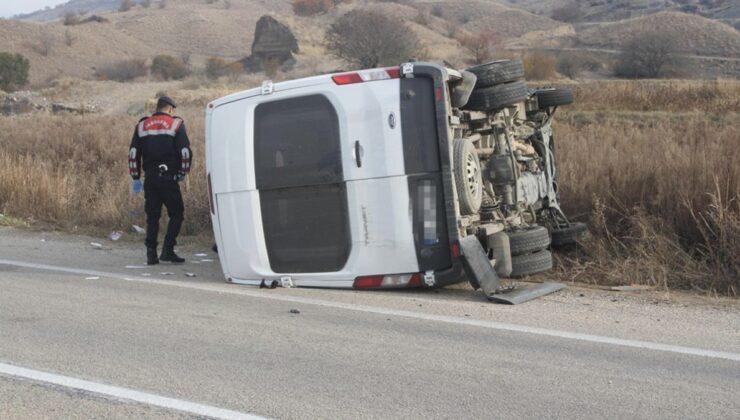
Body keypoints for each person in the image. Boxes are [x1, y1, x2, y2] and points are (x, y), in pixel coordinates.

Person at [128, 96, 192, 265]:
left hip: (150, 179)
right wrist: (183, 173)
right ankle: (168, 250)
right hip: (169, 178)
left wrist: (135, 177)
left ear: (157, 108)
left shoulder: (142, 125)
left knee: (153, 217)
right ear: (170, 109)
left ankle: (151, 254)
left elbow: (133, 154)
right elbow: (185, 152)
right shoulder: (176, 124)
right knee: (177, 214)